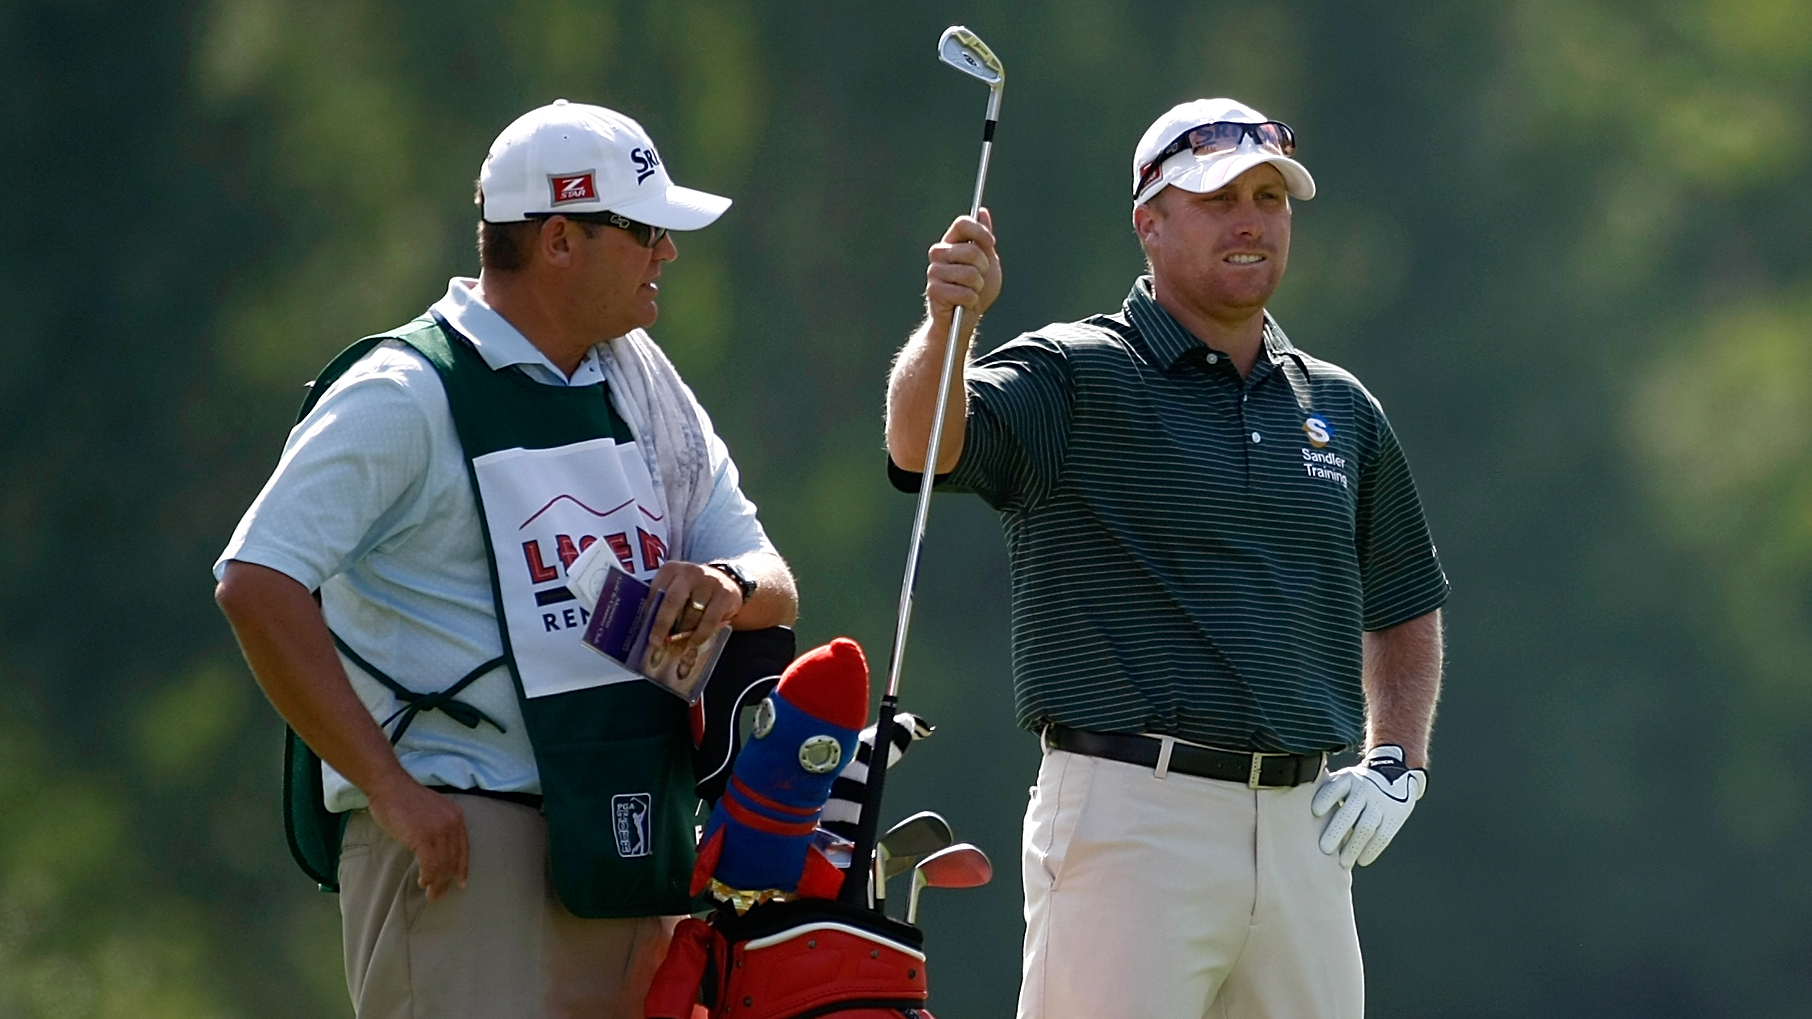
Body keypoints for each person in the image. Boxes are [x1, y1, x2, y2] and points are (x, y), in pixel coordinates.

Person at [214, 99, 797, 1019]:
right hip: (462, 848)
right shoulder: (404, 390)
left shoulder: (643, 383)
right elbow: (255, 580)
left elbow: (772, 577)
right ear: (559, 239)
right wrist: (391, 791)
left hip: (623, 848)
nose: (667, 252)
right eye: (644, 229)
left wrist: (724, 587)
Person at [884, 97, 1449, 1019]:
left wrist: (1396, 759)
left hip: (1306, 832)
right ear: (1149, 222)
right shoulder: (1073, 373)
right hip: (1129, 819)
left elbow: (1404, 595)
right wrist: (950, 323)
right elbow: (923, 445)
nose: (1251, 220)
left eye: (1270, 197)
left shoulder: (1340, 408)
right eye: (1219, 197)